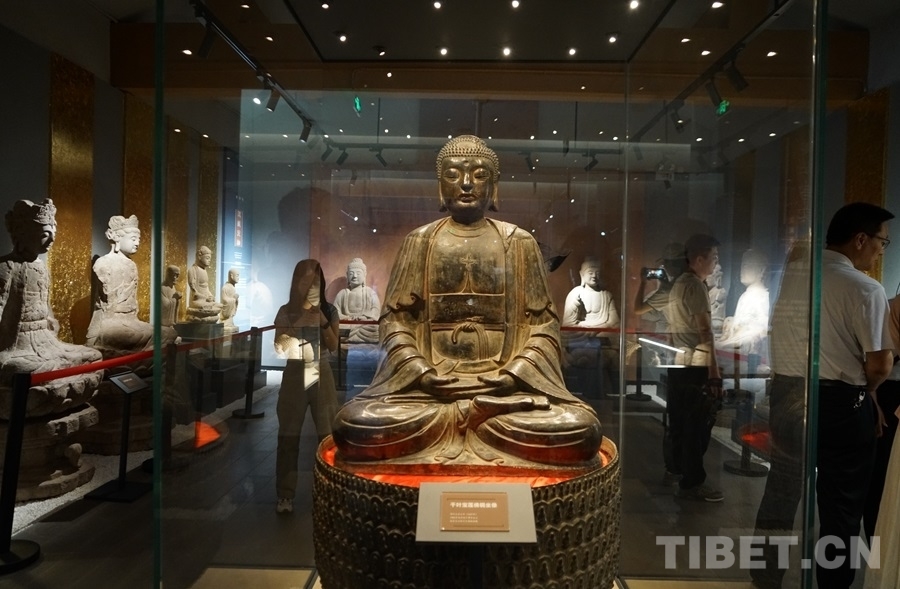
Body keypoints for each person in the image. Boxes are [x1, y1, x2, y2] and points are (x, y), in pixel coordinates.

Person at [332, 135, 602, 467]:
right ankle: (474, 421)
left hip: (504, 391)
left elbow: (543, 328)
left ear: (494, 185)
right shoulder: (419, 242)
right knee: (354, 425)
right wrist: (421, 373)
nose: (466, 183)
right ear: (440, 185)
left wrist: (514, 375)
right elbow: (396, 323)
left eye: (479, 174)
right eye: (453, 173)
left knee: (581, 430)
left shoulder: (520, 243)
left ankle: (473, 420)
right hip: (430, 393)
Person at [751, 202, 895, 589]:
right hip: (840, 403)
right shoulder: (866, 288)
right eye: (882, 241)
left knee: (781, 491)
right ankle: (833, 583)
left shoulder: (795, 277)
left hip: (787, 394)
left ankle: (764, 576)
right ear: (860, 239)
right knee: (841, 506)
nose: (882, 250)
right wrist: (869, 392)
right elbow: (880, 365)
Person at [0, 199, 102, 384]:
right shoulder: (6, 267)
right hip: (17, 346)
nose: (52, 240)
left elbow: (45, 304)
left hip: (46, 341)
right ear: (23, 233)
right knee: (25, 370)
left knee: (93, 356)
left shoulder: (41, 267)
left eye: (53, 233)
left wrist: (51, 320)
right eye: (44, 234)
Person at [273, 259, 340, 514]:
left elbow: (333, 346)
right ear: (296, 283)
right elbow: (280, 347)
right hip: (294, 370)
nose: (311, 286)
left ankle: (330, 491)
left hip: (320, 369)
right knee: (288, 435)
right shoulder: (286, 310)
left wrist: (322, 320)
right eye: (306, 281)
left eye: (316, 281)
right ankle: (285, 494)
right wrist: (301, 319)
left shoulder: (329, 310)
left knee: (327, 435)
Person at [666, 233, 724, 502]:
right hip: (694, 364)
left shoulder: (678, 284)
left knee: (679, 421)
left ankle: (675, 468)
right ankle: (692, 481)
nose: (716, 263)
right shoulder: (695, 286)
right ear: (699, 259)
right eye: (714, 257)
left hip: (679, 362)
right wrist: (714, 373)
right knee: (695, 425)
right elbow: (704, 331)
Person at [85, 215, 178, 357]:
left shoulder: (132, 265)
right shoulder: (103, 263)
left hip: (131, 321)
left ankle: (137, 353)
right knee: (130, 336)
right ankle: (132, 354)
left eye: (138, 239)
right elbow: (107, 306)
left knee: (169, 333)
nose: (137, 243)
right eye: (133, 239)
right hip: (111, 322)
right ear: (117, 237)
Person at [333, 257, 381, 343]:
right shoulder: (342, 293)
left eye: (358, 273)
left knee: (376, 329)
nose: (354, 276)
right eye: (351, 273)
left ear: (364, 274)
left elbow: (376, 311)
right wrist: (348, 318)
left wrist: (365, 317)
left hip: (365, 327)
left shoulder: (370, 292)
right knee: (338, 328)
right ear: (347, 275)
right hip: (347, 325)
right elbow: (335, 313)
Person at [186, 245, 222, 321]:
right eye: (207, 258)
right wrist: (205, 298)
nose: (209, 261)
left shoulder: (204, 271)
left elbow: (206, 287)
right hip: (197, 300)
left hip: (206, 300)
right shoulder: (192, 270)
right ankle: (202, 317)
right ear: (199, 256)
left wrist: (210, 296)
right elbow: (194, 292)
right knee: (204, 306)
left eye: (210, 259)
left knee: (219, 305)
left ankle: (206, 316)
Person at [220, 267, 240, 333]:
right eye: (237, 275)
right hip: (226, 316)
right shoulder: (226, 287)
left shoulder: (232, 287)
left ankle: (230, 323)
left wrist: (235, 300)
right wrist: (234, 299)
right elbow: (225, 301)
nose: (238, 278)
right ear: (231, 276)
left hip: (230, 318)